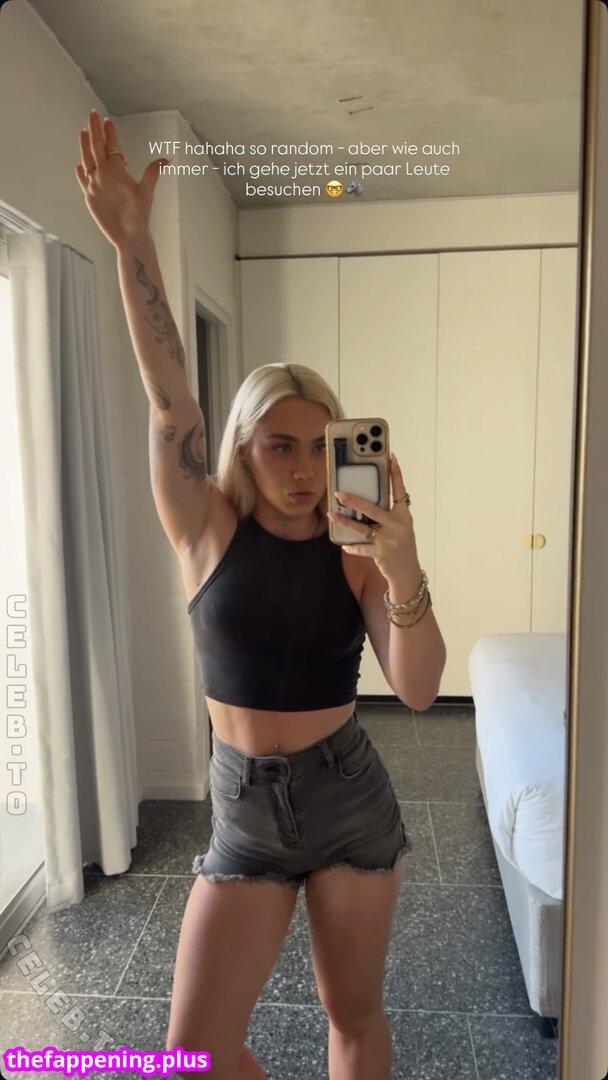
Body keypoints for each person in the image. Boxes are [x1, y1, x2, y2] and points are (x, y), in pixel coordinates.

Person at [76, 108, 447, 1080]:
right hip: (242, 808)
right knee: (191, 1053)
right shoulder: (204, 526)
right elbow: (169, 397)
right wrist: (132, 243)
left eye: (320, 448)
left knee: (351, 1019)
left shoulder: (356, 549)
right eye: (279, 445)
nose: (303, 469)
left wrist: (405, 568)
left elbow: (418, 690)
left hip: (346, 795)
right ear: (241, 444)